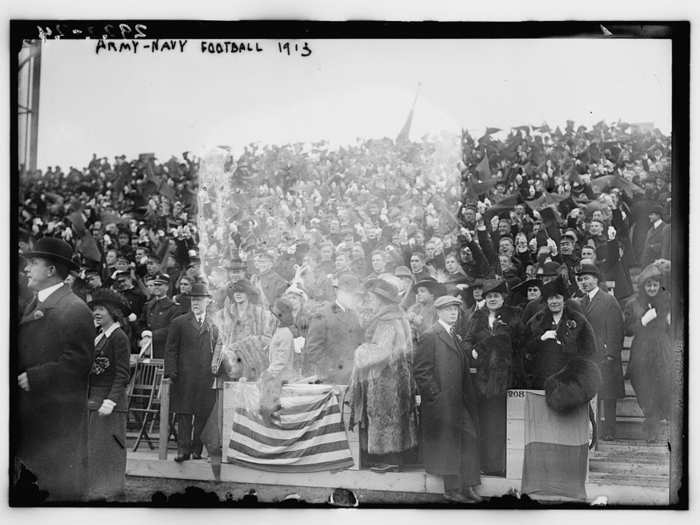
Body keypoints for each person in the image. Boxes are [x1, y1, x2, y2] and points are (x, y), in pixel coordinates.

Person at [15, 237, 95, 502]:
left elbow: (79, 363)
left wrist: (35, 377)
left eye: (33, 263)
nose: (26, 269)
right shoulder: (35, 303)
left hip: (56, 420)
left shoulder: (73, 308)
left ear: (51, 271)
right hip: (34, 412)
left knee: (54, 493)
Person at [414, 295, 482, 503]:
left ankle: (468, 485)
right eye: (448, 309)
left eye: (456, 309)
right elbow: (421, 371)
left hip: (459, 401)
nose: (453, 313)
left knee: (468, 439)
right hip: (443, 404)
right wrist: (436, 396)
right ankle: (452, 490)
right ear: (439, 312)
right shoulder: (431, 335)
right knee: (450, 445)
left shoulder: (455, 335)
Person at [348, 277, 419, 471]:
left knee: (387, 416)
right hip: (398, 377)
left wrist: (361, 351)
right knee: (397, 416)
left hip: (386, 378)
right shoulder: (399, 316)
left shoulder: (387, 320)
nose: (370, 300)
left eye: (373, 297)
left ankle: (390, 460)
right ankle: (395, 459)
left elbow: (382, 350)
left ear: (382, 299)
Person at [462, 278, 521, 476]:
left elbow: (521, 342)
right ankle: (483, 464)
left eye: (496, 296)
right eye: (489, 296)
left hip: (506, 378)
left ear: (503, 297)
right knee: (484, 422)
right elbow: (467, 341)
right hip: (482, 379)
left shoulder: (513, 316)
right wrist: (472, 352)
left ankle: (497, 466)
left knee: (499, 423)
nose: (492, 299)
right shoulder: (478, 317)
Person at [165, 282, 220, 462]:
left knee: (202, 414)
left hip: (206, 377)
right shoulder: (179, 322)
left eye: (200, 300)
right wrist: (171, 372)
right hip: (184, 377)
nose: (196, 303)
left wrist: (217, 371)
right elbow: (171, 349)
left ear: (208, 302)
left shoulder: (214, 324)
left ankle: (197, 449)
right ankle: (183, 450)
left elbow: (220, 349)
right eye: (193, 300)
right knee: (184, 413)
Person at [86, 288, 132, 501]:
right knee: (97, 449)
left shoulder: (118, 336)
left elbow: (122, 373)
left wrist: (111, 400)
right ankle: (99, 489)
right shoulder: (100, 336)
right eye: (95, 308)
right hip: (94, 401)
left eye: (101, 309)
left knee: (110, 449)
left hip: (109, 403)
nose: (96, 312)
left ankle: (112, 490)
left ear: (113, 312)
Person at [623, 264, 673, 441]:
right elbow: (627, 330)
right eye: (648, 285)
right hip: (641, 350)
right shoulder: (634, 303)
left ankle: (655, 424)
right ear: (643, 286)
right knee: (642, 384)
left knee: (664, 384)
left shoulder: (668, 302)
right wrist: (642, 321)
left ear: (660, 285)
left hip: (662, 349)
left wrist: (671, 322)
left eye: (655, 285)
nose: (652, 288)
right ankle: (651, 418)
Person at [575, 262, 625, 441]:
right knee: (590, 393)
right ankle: (591, 431)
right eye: (581, 279)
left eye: (587, 278)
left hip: (605, 356)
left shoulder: (608, 300)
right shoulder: (580, 302)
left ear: (596, 279)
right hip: (587, 356)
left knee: (608, 395)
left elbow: (616, 328)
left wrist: (611, 353)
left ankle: (609, 430)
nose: (584, 282)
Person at [523, 276, 598, 389]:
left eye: (557, 298)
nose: (554, 302)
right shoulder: (537, 321)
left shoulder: (578, 320)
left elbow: (589, 349)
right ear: (546, 301)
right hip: (542, 380)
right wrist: (541, 339)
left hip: (569, 381)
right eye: (551, 299)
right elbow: (526, 348)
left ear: (564, 299)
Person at [303, 273, 365, 384]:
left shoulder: (356, 315)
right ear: (337, 292)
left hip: (354, 375)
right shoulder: (322, 314)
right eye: (348, 293)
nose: (352, 297)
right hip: (331, 377)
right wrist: (330, 368)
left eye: (354, 294)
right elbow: (313, 348)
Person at [140, 272, 180, 358]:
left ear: (167, 287)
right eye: (155, 284)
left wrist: (152, 335)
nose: (156, 287)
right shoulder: (148, 305)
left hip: (164, 349)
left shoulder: (173, 308)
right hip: (148, 347)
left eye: (160, 284)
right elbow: (142, 323)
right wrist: (145, 334)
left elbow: (172, 329)